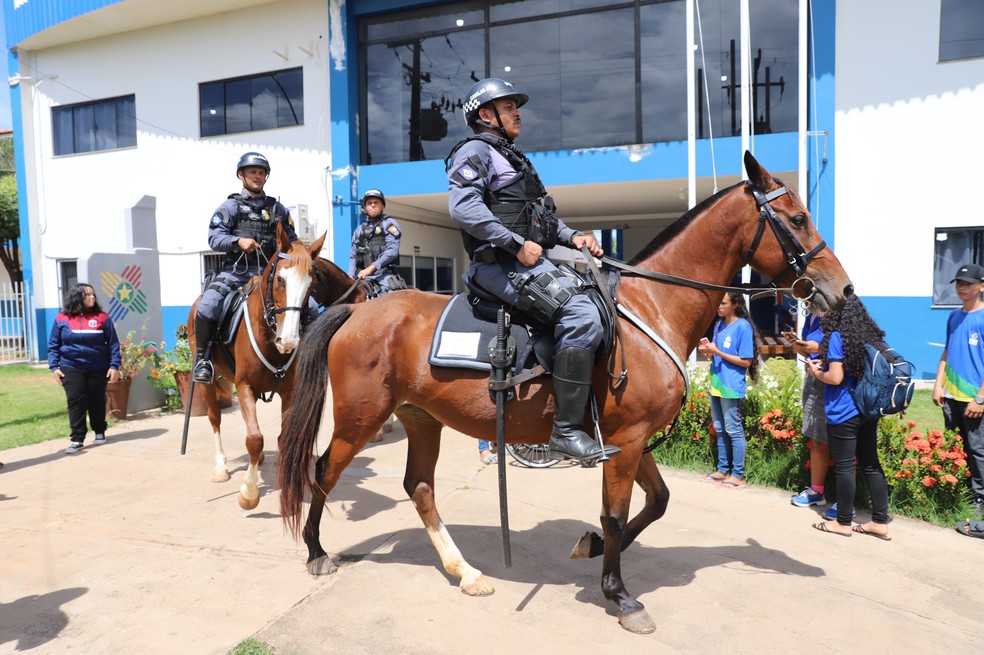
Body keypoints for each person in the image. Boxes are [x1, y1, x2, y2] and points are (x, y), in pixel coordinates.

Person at [445, 77, 619, 463]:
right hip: (498, 266)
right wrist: (514, 244)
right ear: (485, 114)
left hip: (527, 261)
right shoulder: (474, 151)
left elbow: (541, 218)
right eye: (508, 107)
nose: (517, 113)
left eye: (515, 107)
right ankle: (566, 432)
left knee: (600, 299)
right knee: (581, 314)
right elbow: (464, 208)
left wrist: (574, 237)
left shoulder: (512, 157)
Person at [192, 152, 302, 383]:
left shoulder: (278, 209)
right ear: (241, 175)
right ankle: (203, 360)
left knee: (308, 306)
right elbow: (214, 238)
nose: (257, 176)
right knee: (207, 306)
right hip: (236, 273)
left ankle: (308, 357)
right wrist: (237, 241)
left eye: (261, 173)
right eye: (253, 172)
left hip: (271, 275)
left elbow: (292, 242)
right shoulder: (231, 207)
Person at [806, 296, 892, 540]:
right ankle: (880, 522)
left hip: (843, 410)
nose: (822, 313)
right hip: (866, 409)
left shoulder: (836, 336)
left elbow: (835, 378)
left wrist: (816, 372)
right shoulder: (869, 336)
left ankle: (843, 522)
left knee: (844, 466)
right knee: (871, 464)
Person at [933, 263, 984, 517]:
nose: (962, 288)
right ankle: (960, 492)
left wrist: (981, 398)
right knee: (956, 446)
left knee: (977, 449)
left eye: (968, 283)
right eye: (959, 283)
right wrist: (938, 384)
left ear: (981, 286)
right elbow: (947, 351)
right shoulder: (954, 316)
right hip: (951, 396)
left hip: (974, 398)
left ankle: (979, 498)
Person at [47, 283, 121, 454]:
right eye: (87, 295)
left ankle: (99, 431)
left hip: (98, 366)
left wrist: (114, 365)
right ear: (77, 297)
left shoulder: (102, 317)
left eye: (93, 294)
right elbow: (53, 345)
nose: (92, 297)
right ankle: (77, 438)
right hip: (70, 366)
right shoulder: (61, 318)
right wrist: (54, 367)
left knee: (97, 399)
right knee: (76, 401)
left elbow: (113, 344)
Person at [697, 292, 759, 490]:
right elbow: (718, 355)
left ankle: (737, 475)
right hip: (717, 382)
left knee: (733, 428)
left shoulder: (743, 327)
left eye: (723, 303)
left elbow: (746, 361)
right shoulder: (719, 325)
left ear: (736, 304)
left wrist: (717, 352)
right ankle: (722, 470)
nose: (719, 306)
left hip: (731, 385)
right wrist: (709, 353)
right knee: (720, 427)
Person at [348, 189, 407, 294]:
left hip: (385, 275)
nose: (373, 205)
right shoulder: (359, 230)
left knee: (392, 298)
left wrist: (371, 268)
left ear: (382, 206)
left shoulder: (389, 224)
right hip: (364, 277)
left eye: (376, 202)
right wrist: (351, 275)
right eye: (369, 203)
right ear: (365, 207)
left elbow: (392, 251)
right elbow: (353, 255)